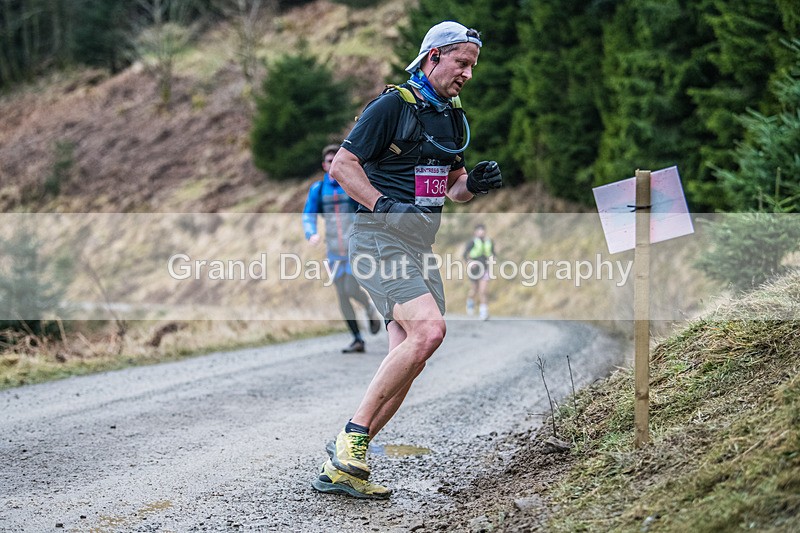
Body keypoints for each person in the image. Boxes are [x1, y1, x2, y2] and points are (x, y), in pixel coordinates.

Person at [310, 21, 503, 499]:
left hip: (418, 246)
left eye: (473, 67)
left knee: (411, 357)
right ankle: (354, 437)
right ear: (433, 56)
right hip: (377, 237)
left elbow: (452, 188)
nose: (468, 75)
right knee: (430, 330)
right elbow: (343, 166)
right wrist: (382, 205)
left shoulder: (452, 116)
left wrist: (472, 185)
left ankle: (343, 464)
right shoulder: (392, 105)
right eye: (462, 63)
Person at [303, 144, 382, 353]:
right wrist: (311, 233)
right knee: (342, 294)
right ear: (324, 165)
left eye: (335, 159)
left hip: (356, 249)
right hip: (333, 252)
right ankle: (357, 339)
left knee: (350, 288)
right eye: (328, 161)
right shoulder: (318, 190)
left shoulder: (353, 185)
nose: (332, 164)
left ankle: (368, 307)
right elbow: (308, 214)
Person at [464, 223, 495, 320]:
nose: (481, 232)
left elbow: (493, 253)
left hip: (485, 267)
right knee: (474, 289)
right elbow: (464, 255)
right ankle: (470, 302)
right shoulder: (472, 242)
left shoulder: (489, 242)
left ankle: (484, 312)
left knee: (483, 290)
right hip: (474, 269)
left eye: (483, 230)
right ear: (475, 232)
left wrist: (493, 258)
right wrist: (470, 262)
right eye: (479, 230)